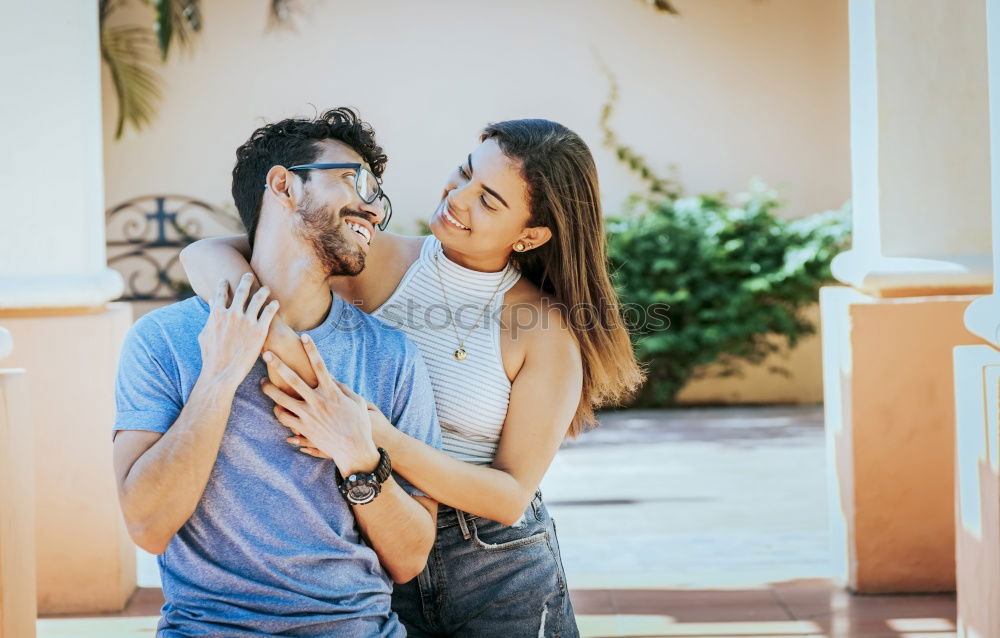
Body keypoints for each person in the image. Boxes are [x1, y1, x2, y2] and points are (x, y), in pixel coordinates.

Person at [181, 117, 645, 637]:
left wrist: (375, 437)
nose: (458, 196)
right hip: (378, 538)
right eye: (465, 172)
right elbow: (203, 254)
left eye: (489, 200)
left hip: (496, 565)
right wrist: (270, 334)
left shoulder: (545, 329)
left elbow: (509, 495)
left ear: (531, 234)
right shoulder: (374, 257)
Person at [113, 107, 442, 637]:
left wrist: (358, 455)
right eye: (354, 179)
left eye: (379, 194)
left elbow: (410, 558)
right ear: (284, 185)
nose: (374, 208)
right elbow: (147, 527)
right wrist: (219, 375)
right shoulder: (162, 341)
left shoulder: (392, 355)